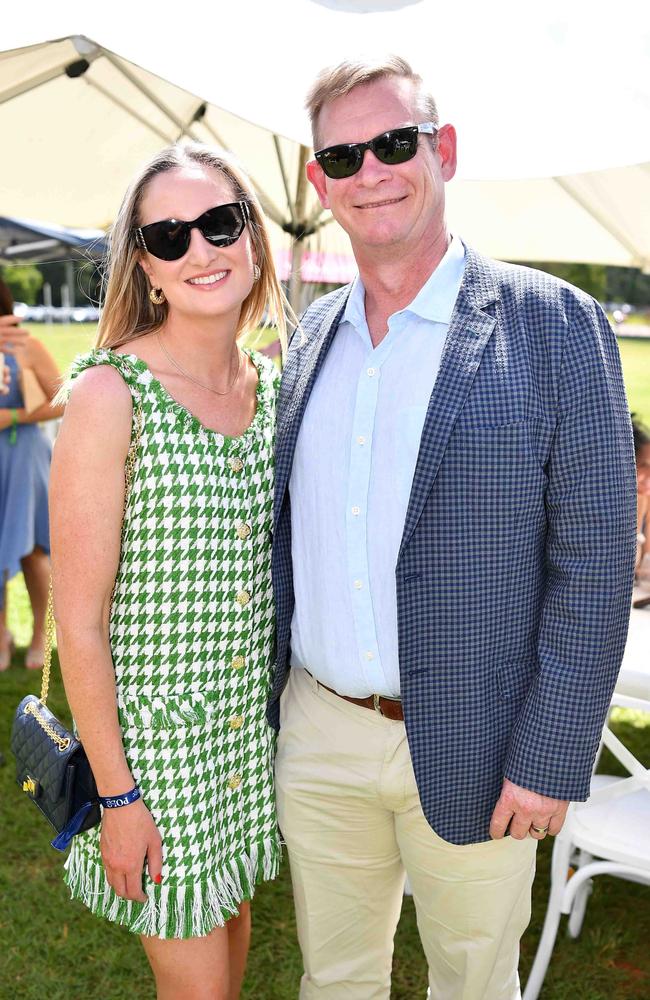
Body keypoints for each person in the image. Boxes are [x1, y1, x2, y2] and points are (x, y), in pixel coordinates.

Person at [269, 56, 637, 999]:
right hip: (322, 731)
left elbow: (596, 560)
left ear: (445, 151)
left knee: (473, 983)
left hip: (484, 733)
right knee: (334, 977)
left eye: (395, 143)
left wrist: (553, 754)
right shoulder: (308, 335)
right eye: (343, 158)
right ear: (319, 182)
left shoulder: (557, 323)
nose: (371, 172)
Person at [49, 141, 287, 1000]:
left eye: (219, 223)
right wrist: (118, 799)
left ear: (252, 237)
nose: (201, 250)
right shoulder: (109, 395)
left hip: (243, 745)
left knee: (229, 960)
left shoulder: (273, 387)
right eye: (169, 236)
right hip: (155, 757)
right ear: (145, 267)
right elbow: (76, 622)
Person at [0, 279, 63, 671]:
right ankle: (1, 635)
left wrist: (12, 416)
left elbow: (62, 398)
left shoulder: (23, 344)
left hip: (24, 453)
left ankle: (41, 632)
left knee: (34, 551)